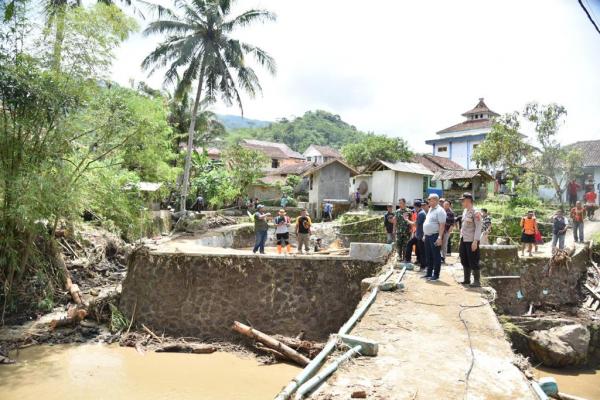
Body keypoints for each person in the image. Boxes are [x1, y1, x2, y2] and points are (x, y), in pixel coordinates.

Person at [458, 193, 482, 287]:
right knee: (464, 259)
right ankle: (466, 279)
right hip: (464, 239)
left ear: (468, 200)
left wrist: (475, 241)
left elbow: (478, 227)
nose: (461, 202)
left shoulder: (476, 212)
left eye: (463, 200)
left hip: (472, 240)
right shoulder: (465, 211)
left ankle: (477, 281)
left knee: (473, 260)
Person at [423, 194, 446, 281]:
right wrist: (425, 234)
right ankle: (429, 273)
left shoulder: (440, 211)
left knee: (436, 255)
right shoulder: (430, 209)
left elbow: (442, 225)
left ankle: (436, 274)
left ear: (436, 200)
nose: (428, 201)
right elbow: (427, 222)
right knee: (428, 255)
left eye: (430, 200)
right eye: (428, 199)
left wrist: (440, 237)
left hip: (435, 235)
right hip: (428, 236)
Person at [405, 200, 426, 266]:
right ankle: (410, 259)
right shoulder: (420, 212)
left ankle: (423, 265)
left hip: (420, 235)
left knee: (421, 250)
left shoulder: (421, 214)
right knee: (411, 244)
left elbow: (415, 224)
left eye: (414, 207)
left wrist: (407, 220)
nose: (414, 209)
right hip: (418, 234)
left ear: (416, 207)